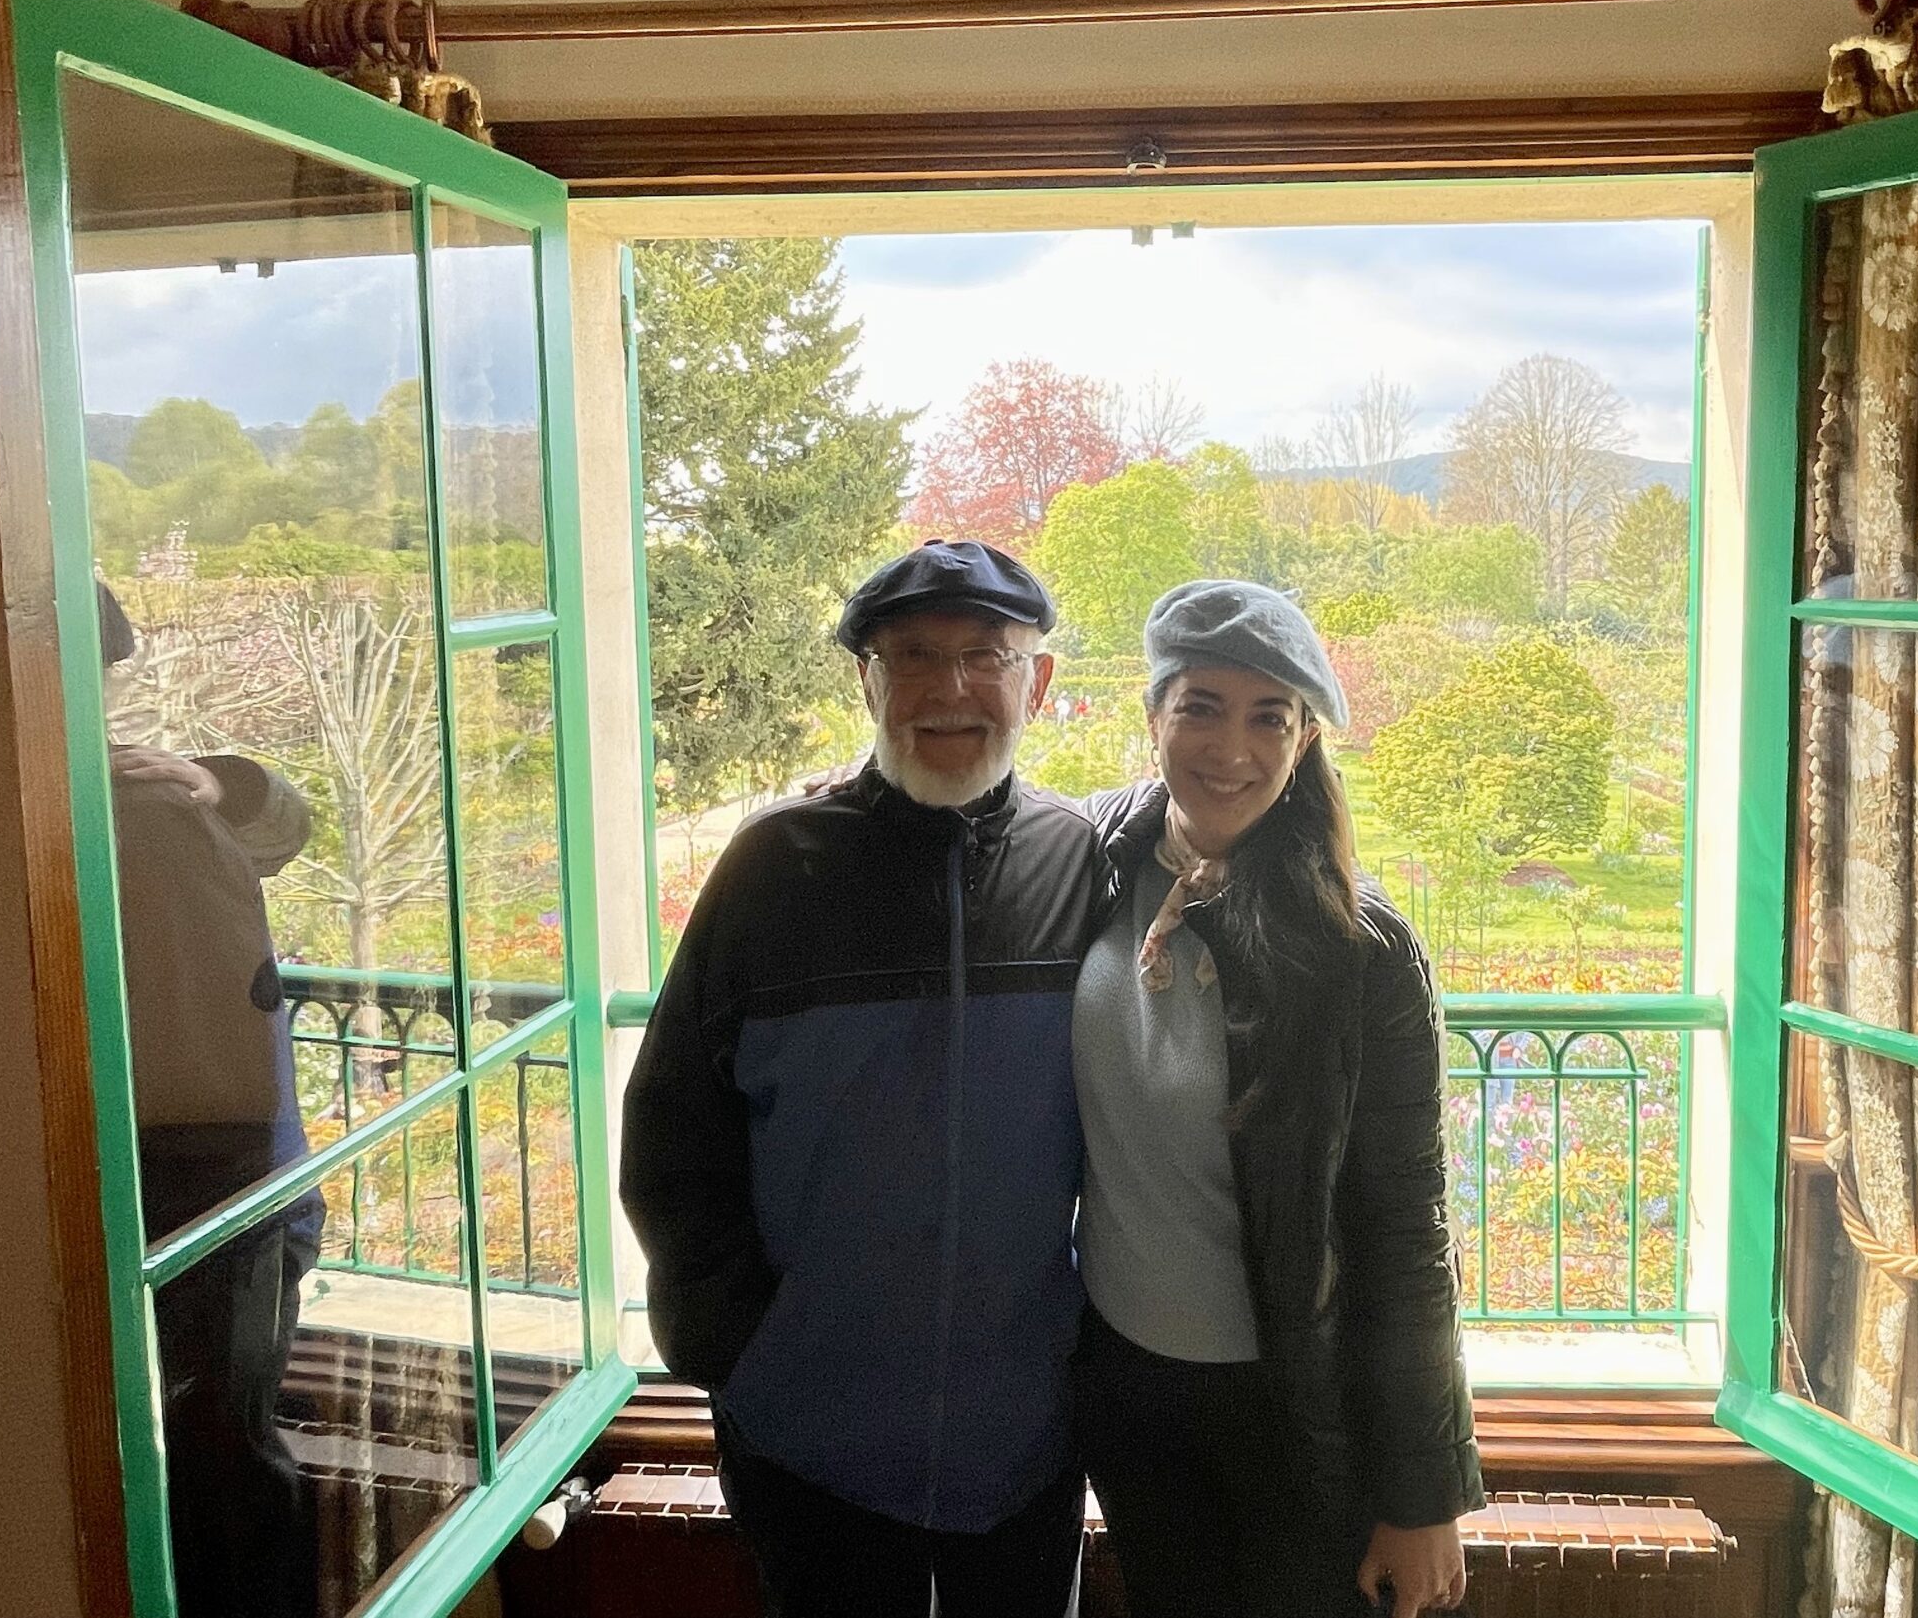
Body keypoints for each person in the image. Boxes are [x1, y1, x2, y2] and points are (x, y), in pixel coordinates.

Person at [621, 539, 1101, 1618]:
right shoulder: (770, 869)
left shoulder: (1081, 861)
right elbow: (673, 1130)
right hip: (807, 1430)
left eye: (985, 654)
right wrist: (745, 1349)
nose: (949, 687)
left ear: (1038, 681)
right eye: (913, 655)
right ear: (866, 681)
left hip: (1024, 1429)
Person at [1073, 579, 1483, 1618]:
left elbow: (1407, 1228)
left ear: (1304, 740)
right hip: (1130, 1397)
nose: (1231, 748)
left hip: (1296, 1415)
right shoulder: (1090, 865)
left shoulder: (1358, 948)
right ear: (1152, 714)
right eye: (1201, 707)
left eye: (1269, 716)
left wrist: (1422, 1494)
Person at [101, 581, 324, 1618]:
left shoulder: (136, 794)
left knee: (211, 1456)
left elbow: (282, 826)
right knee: (223, 1462)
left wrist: (217, 779)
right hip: (216, 1177)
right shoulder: (135, 803)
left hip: (211, 1174)